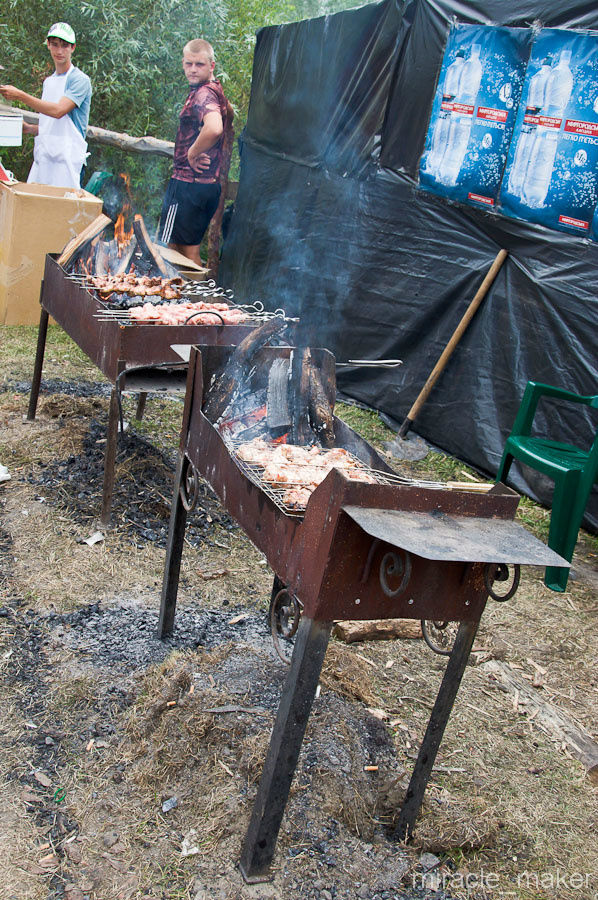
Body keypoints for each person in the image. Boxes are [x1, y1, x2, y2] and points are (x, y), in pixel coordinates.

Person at [158, 39, 229, 266]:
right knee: (188, 251)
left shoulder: (203, 95)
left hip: (188, 186)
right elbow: (229, 118)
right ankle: (194, 300)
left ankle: (194, 300)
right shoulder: (215, 90)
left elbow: (215, 128)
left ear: (212, 65)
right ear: (183, 63)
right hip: (206, 186)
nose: (193, 69)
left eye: (199, 64)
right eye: (189, 64)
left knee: (174, 250)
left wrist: (192, 152)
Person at [0, 22, 92, 189]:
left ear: (73, 48)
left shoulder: (79, 80)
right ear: (48, 45)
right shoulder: (49, 82)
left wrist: (20, 95)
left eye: (65, 46)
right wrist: (28, 128)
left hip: (68, 165)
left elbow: (58, 111)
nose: (59, 51)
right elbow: (53, 126)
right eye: (55, 45)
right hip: (44, 162)